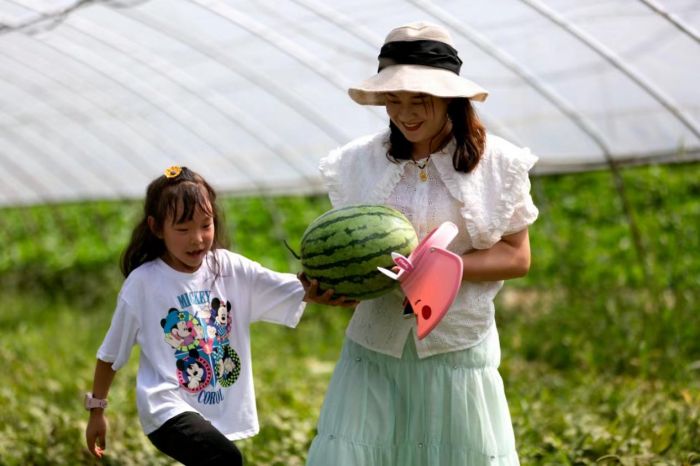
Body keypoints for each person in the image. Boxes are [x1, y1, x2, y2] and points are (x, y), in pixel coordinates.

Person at [305, 22, 539, 466]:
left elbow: (517, 255)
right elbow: (358, 258)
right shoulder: (359, 162)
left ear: (451, 97)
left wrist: (437, 267)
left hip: (455, 348)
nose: (404, 114)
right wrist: (334, 289)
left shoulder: (499, 165)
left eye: (419, 100)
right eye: (393, 100)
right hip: (374, 348)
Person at [84, 165, 354, 465]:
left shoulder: (228, 268)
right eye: (183, 229)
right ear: (157, 227)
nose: (197, 239)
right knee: (224, 459)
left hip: (211, 405)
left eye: (206, 225)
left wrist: (332, 290)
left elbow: (289, 288)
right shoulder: (143, 284)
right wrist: (97, 411)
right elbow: (110, 355)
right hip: (166, 408)